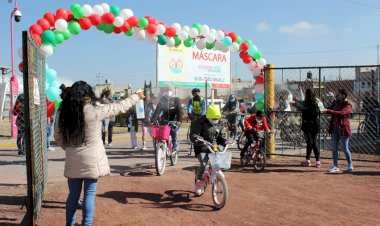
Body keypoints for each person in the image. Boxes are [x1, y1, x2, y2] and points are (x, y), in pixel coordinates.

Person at [54, 81, 144, 226]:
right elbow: (120, 107)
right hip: (92, 160)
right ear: (88, 93)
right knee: (89, 195)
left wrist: (69, 149)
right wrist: (136, 96)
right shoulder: (95, 109)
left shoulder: (63, 111)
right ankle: (86, 224)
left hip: (72, 159)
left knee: (73, 195)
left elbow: (57, 137)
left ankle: (70, 223)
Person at [190, 104, 227, 196]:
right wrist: (198, 140)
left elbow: (222, 136)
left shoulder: (221, 122)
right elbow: (194, 134)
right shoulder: (200, 121)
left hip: (213, 145)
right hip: (201, 145)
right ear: (208, 116)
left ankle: (215, 174)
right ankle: (199, 184)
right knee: (204, 163)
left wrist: (225, 142)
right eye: (213, 119)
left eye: (217, 118)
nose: (215, 121)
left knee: (220, 160)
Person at [323, 89, 353, 173]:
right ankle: (335, 166)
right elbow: (329, 109)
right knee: (334, 148)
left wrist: (329, 110)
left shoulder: (348, 104)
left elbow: (342, 113)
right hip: (335, 128)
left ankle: (350, 165)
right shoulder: (336, 102)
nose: (337, 95)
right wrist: (322, 107)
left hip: (343, 128)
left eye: (339, 94)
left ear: (343, 95)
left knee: (345, 148)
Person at [291, 89, 321, 168]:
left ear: (307, 95)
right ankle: (309, 160)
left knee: (313, 143)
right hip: (314, 125)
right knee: (310, 143)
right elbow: (302, 103)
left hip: (310, 125)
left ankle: (317, 161)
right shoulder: (313, 101)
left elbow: (305, 109)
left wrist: (295, 104)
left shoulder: (312, 103)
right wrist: (295, 101)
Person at [152, 85, 182, 151]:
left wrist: (179, 120)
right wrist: (153, 119)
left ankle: (174, 143)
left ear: (173, 91)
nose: (168, 91)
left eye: (170, 90)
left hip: (174, 121)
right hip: (164, 120)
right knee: (160, 132)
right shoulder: (163, 99)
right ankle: (161, 147)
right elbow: (158, 110)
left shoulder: (176, 100)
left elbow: (179, 111)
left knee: (172, 130)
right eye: (167, 90)